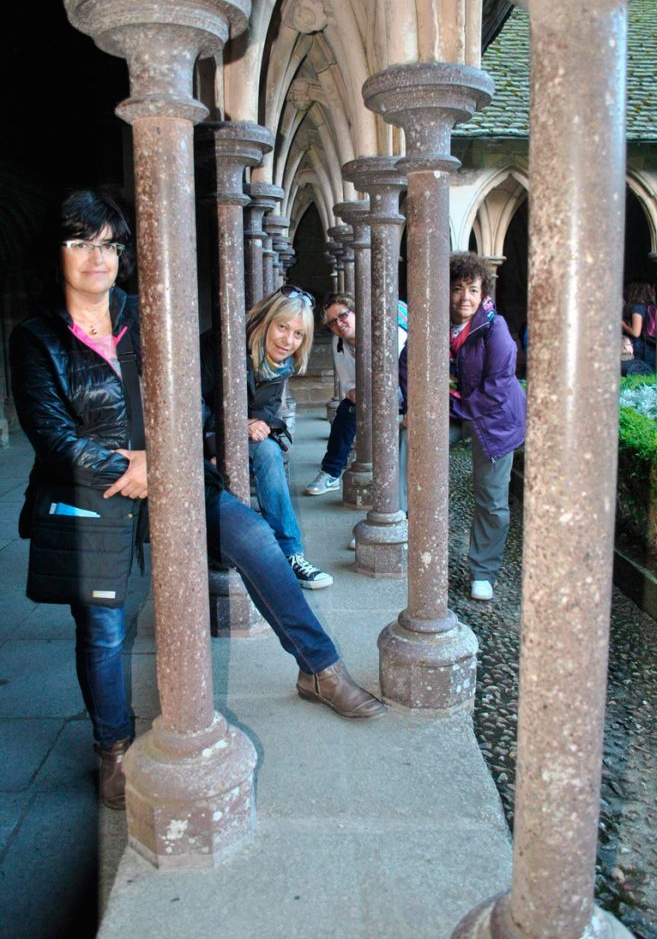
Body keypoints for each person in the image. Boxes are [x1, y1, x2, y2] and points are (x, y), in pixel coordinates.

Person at [10, 191, 386, 811]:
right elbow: (51, 435)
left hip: (175, 472)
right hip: (90, 492)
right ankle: (112, 746)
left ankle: (320, 668)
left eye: (108, 245)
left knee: (256, 539)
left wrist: (164, 460)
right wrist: (129, 467)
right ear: (56, 253)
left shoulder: (147, 316)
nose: (97, 258)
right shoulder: (36, 339)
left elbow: (192, 396)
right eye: (80, 243)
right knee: (101, 626)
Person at [399, 252, 526, 602]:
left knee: (492, 498)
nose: (464, 298)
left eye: (472, 289)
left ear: (483, 293)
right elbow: (407, 365)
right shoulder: (432, 323)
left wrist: (445, 406)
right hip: (454, 411)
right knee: (411, 434)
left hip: (494, 420)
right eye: (457, 289)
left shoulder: (495, 329)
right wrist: (417, 408)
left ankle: (483, 571)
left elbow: (496, 391)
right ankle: (396, 520)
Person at [201, 287, 333, 588]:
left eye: (298, 334)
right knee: (267, 452)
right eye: (282, 327)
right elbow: (190, 404)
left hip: (232, 434)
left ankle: (290, 554)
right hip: (197, 435)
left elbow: (267, 411)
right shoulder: (222, 346)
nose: (288, 341)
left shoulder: (279, 364)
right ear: (265, 320)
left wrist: (253, 424)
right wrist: (228, 434)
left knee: (269, 450)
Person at [304, 292, 407, 495]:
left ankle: (395, 479)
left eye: (342, 315)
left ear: (356, 312)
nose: (339, 324)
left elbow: (402, 375)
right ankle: (330, 473)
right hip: (368, 395)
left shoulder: (388, 332)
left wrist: (371, 394)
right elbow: (348, 382)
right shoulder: (338, 342)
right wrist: (354, 393)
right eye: (332, 322)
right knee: (345, 411)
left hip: (402, 396)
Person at [622, 280, 657, 370]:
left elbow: (636, 333)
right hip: (651, 344)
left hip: (642, 346)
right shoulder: (650, 306)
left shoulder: (637, 308)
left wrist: (622, 324)